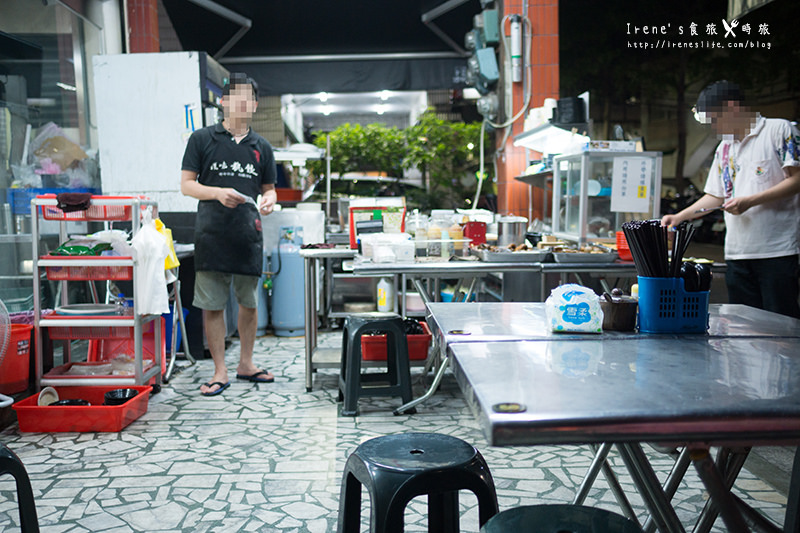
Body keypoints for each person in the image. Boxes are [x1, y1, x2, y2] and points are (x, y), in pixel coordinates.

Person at [661, 80, 800, 318]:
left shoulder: (780, 130)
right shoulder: (724, 148)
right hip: (737, 253)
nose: (714, 127)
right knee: (744, 326)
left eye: (715, 119)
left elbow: (796, 179)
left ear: (733, 107)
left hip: (777, 251)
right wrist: (679, 216)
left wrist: (750, 201)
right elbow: (715, 195)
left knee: (782, 325)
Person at [180, 73, 278, 396]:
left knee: (249, 304)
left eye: (247, 97)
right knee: (212, 306)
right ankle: (220, 370)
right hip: (211, 236)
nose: (240, 102)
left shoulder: (261, 146)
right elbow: (187, 185)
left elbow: (270, 191)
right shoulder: (202, 139)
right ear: (222, 101)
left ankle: (246, 364)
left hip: (248, 237)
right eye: (234, 96)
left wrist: (269, 202)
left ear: (254, 105)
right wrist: (218, 193)